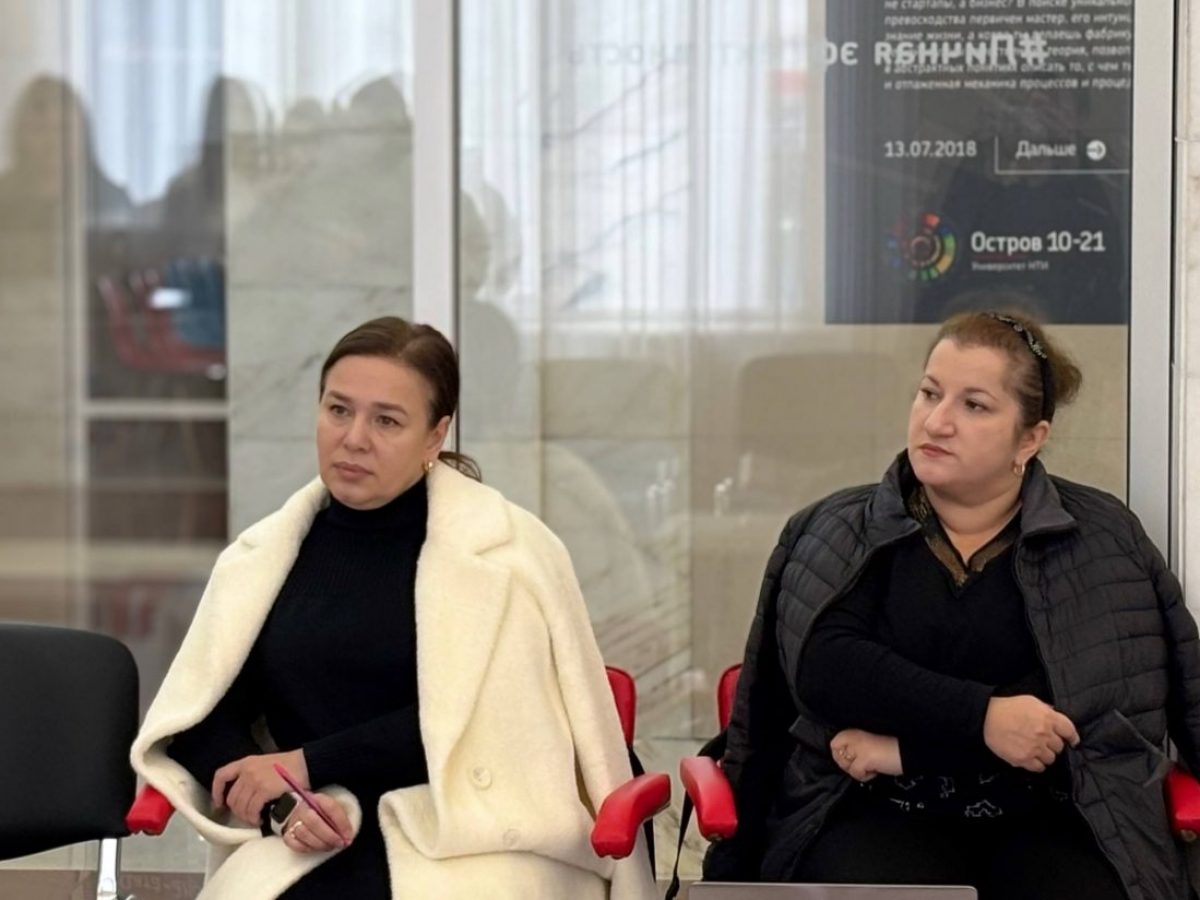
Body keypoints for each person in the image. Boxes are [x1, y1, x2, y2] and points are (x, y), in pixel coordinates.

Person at [131, 317, 657, 900]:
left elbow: (476, 720)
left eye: (387, 420)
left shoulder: (510, 556)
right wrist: (284, 804)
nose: (354, 438)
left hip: (478, 837)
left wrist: (308, 763)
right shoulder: (264, 557)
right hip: (312, 833)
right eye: (338, 410)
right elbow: (202, 719)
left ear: (435, 435)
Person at [705, 309, 1200, 900]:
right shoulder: (834, 528)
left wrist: (901, 750)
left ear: (1030, 438)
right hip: (868, 805)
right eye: (929, 393)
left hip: (1061, 812)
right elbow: (825, 670)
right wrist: (986, 717)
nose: (936, 421)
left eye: (975, 405)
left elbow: (1068, 710)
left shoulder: (1101, 537)